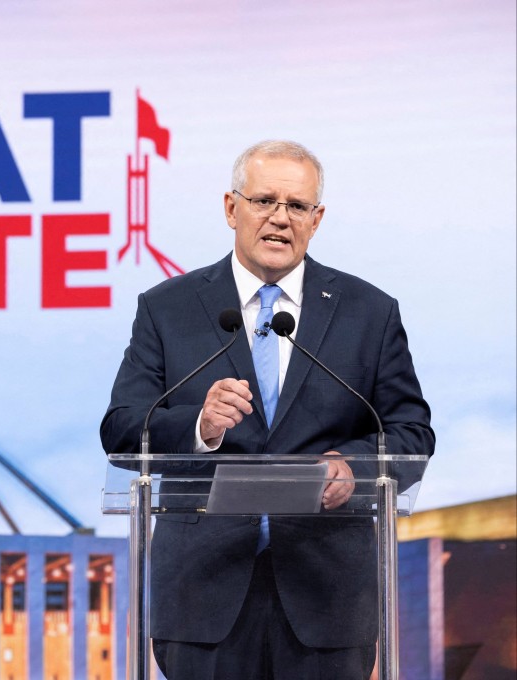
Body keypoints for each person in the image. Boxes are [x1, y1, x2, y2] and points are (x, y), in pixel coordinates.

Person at [100, 140, 434, 679]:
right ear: (232, 208)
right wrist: (199, 426)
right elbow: (120, 432)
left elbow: (411, 431)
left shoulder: (368, 312)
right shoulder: (168, 308)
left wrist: (353, 465)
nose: (280, 218)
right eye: (264, 201)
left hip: (327, 596)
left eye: (297, 206)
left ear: (317, 218)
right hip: (202, 595)